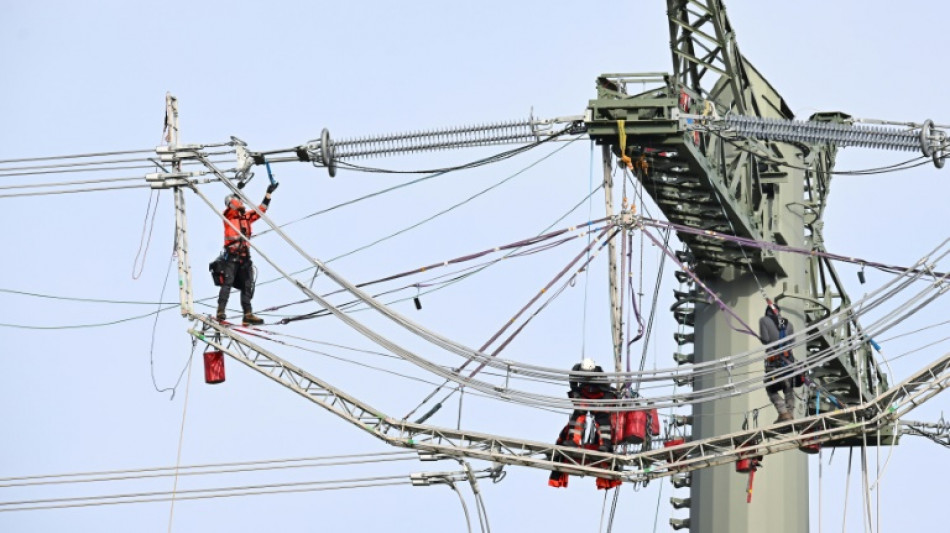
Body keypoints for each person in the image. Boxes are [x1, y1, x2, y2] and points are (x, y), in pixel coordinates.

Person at [215, 184, 277, 325]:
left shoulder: (246, 217)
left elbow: (261, 210)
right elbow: (234, 205)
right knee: (228, 283)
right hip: (231, 256)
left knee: (247, 284)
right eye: (239, 201)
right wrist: (236, 193)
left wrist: (268, 194)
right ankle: (220, 310)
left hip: (244, 256)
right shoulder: (228, 216)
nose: (241, 203)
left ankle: (247, 314)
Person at [565, 358, 615, 451]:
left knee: (603, 420)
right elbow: (573, 384)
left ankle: (605, 445)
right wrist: (576, 393)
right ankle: (573, 441)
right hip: (585, 394)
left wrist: (602, 404)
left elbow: (607, 391)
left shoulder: (600, 375)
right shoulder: (576, 370)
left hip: (599, 396)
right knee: (578, 416)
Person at [758, 301, 797, 423]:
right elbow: (793, 343)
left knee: (770, 387)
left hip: (774, 364)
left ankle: (783, 412)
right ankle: (790, 413)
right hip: (789, 362)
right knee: (788, 388)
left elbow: (765, 340)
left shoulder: (764, 320)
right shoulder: (789, 324)